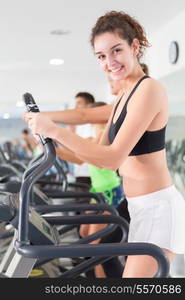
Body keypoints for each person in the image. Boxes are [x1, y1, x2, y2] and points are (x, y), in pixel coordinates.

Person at [24, 10, 185, 278]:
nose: (109, 62)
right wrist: (42, 120)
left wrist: (52, 128)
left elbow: (111, 159)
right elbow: (94, 146)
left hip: (158, 208)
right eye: (101, 56)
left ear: (135, 46)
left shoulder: (149, 89)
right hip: (139, 206)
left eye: (116, 51)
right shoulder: (124, 96)